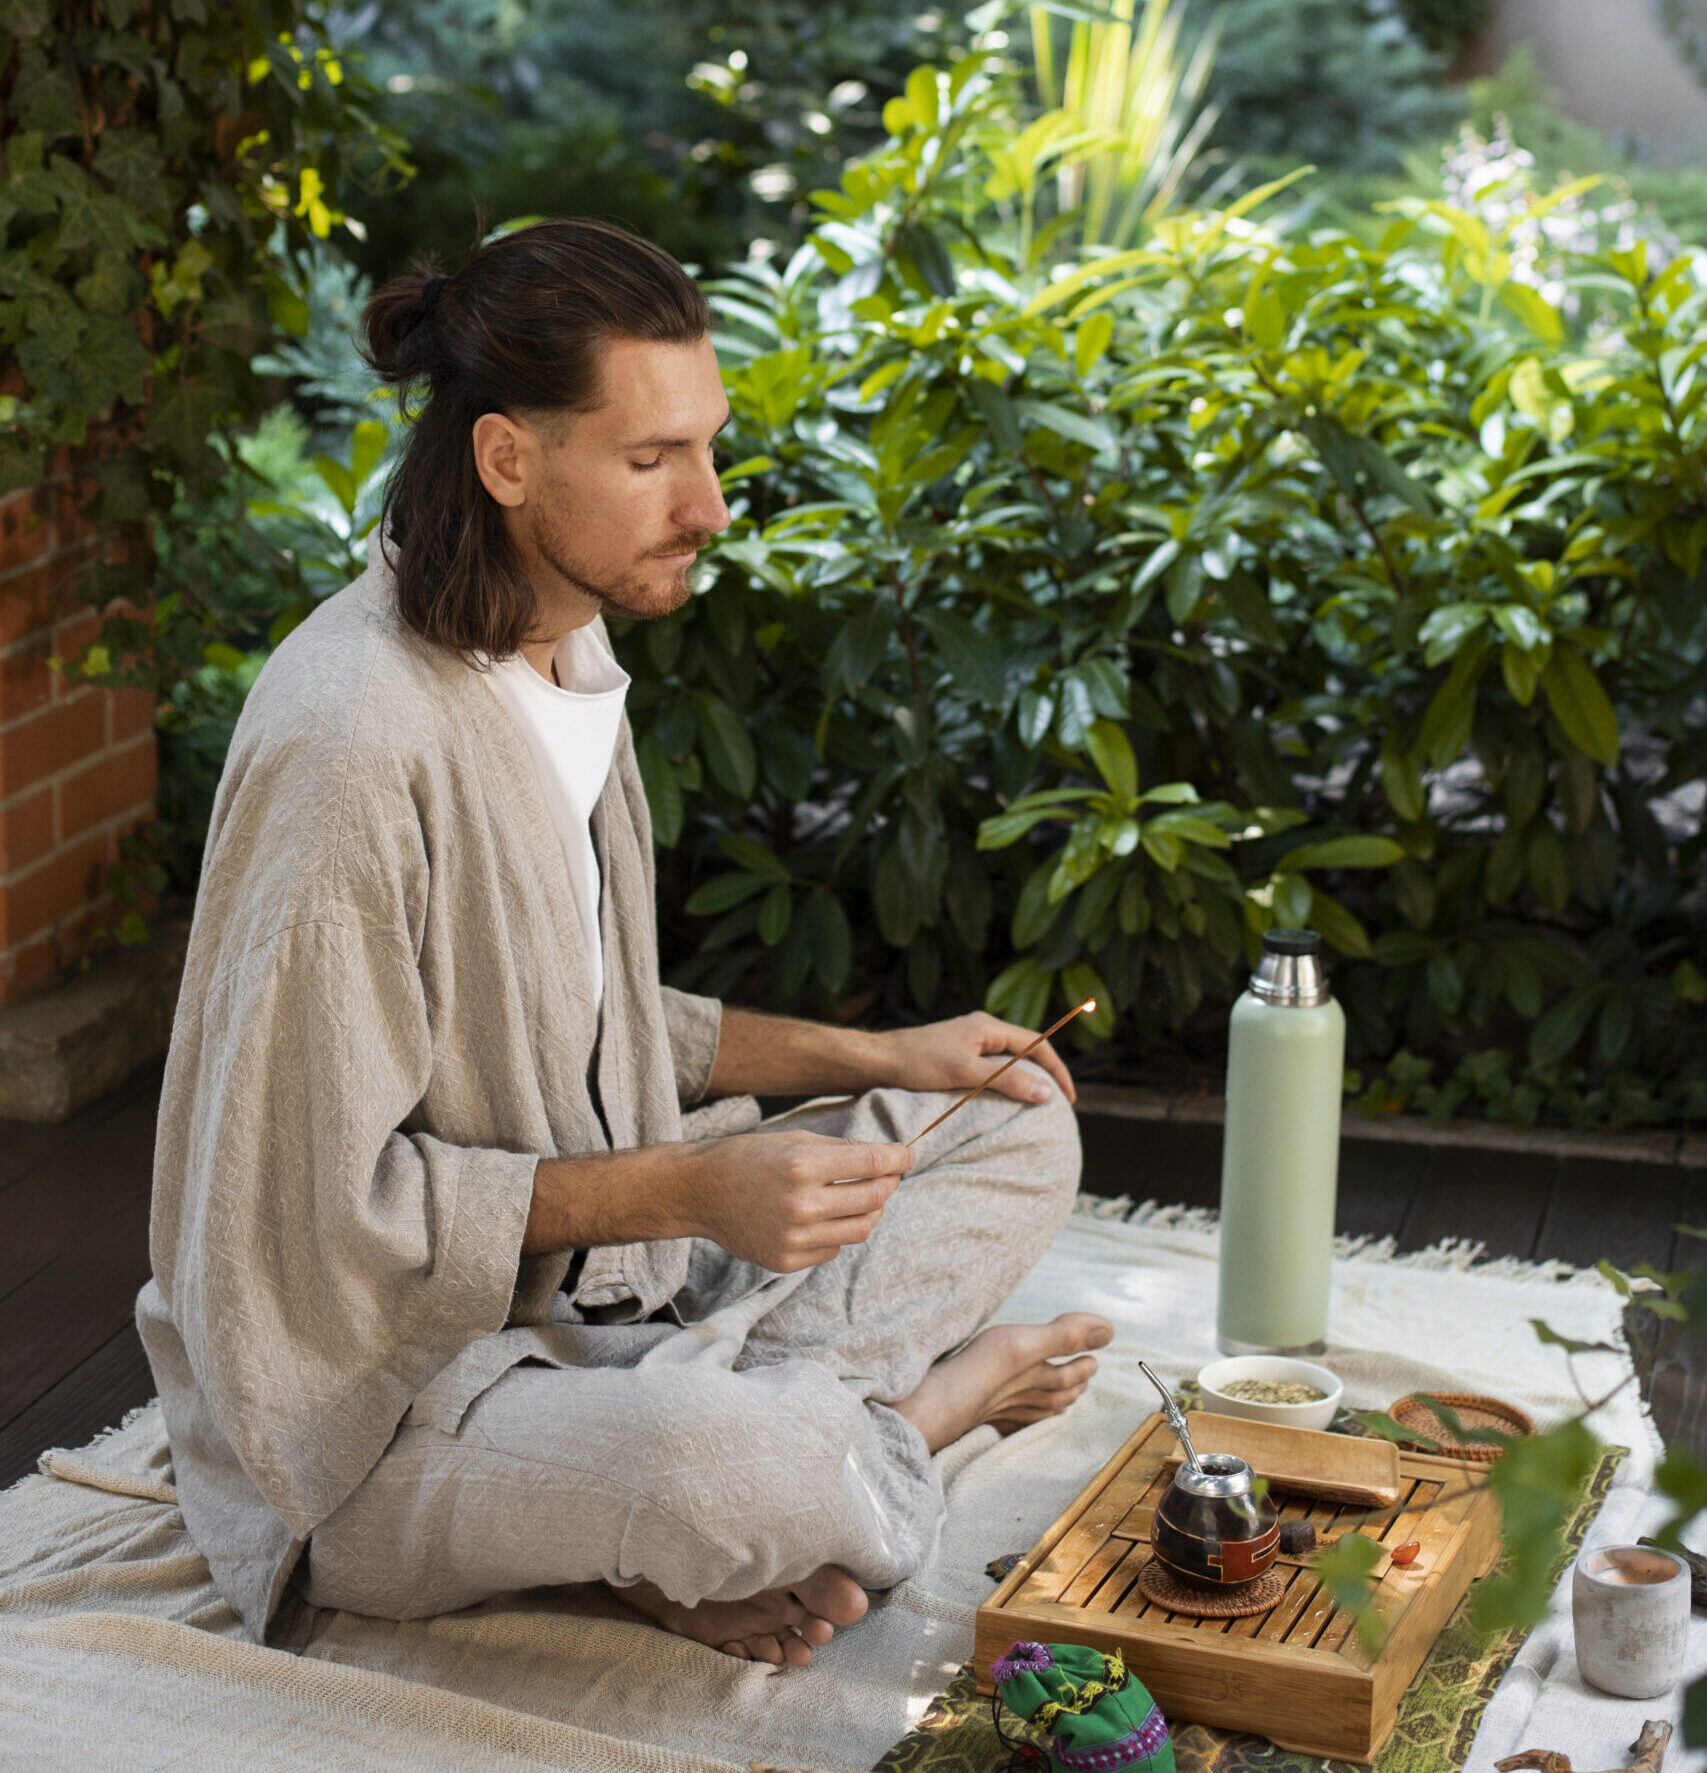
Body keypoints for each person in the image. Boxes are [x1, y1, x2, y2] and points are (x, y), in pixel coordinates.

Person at [137, 217, 1111, 1669]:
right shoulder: (353, 744)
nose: (709, 505)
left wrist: (888, 1054)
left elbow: (588, 1022)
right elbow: (312, 1218)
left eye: (707, 448)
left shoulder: (568, 652)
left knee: (1017, 1121)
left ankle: (700, 1464)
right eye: (654, 460)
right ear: (507, 459)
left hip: (616, 1301)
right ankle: (909, 1418)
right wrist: (693, 1187)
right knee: (734, 1472)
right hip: (386, 1404)